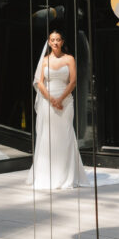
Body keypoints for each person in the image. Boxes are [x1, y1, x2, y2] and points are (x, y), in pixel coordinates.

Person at [27, 30, 88, 190]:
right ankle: (47, 174)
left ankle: (66, 174)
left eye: (58, 40)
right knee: (48, 136)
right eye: (52, 40)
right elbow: (40, 82)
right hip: (48, 102)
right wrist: (51, 99)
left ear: (62, 42)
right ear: (49, 42)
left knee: (65, 135)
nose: (55, 42)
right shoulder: (45, 61)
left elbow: (73, 81)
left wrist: (60, 99)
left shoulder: (69, 59)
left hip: (65, 102)